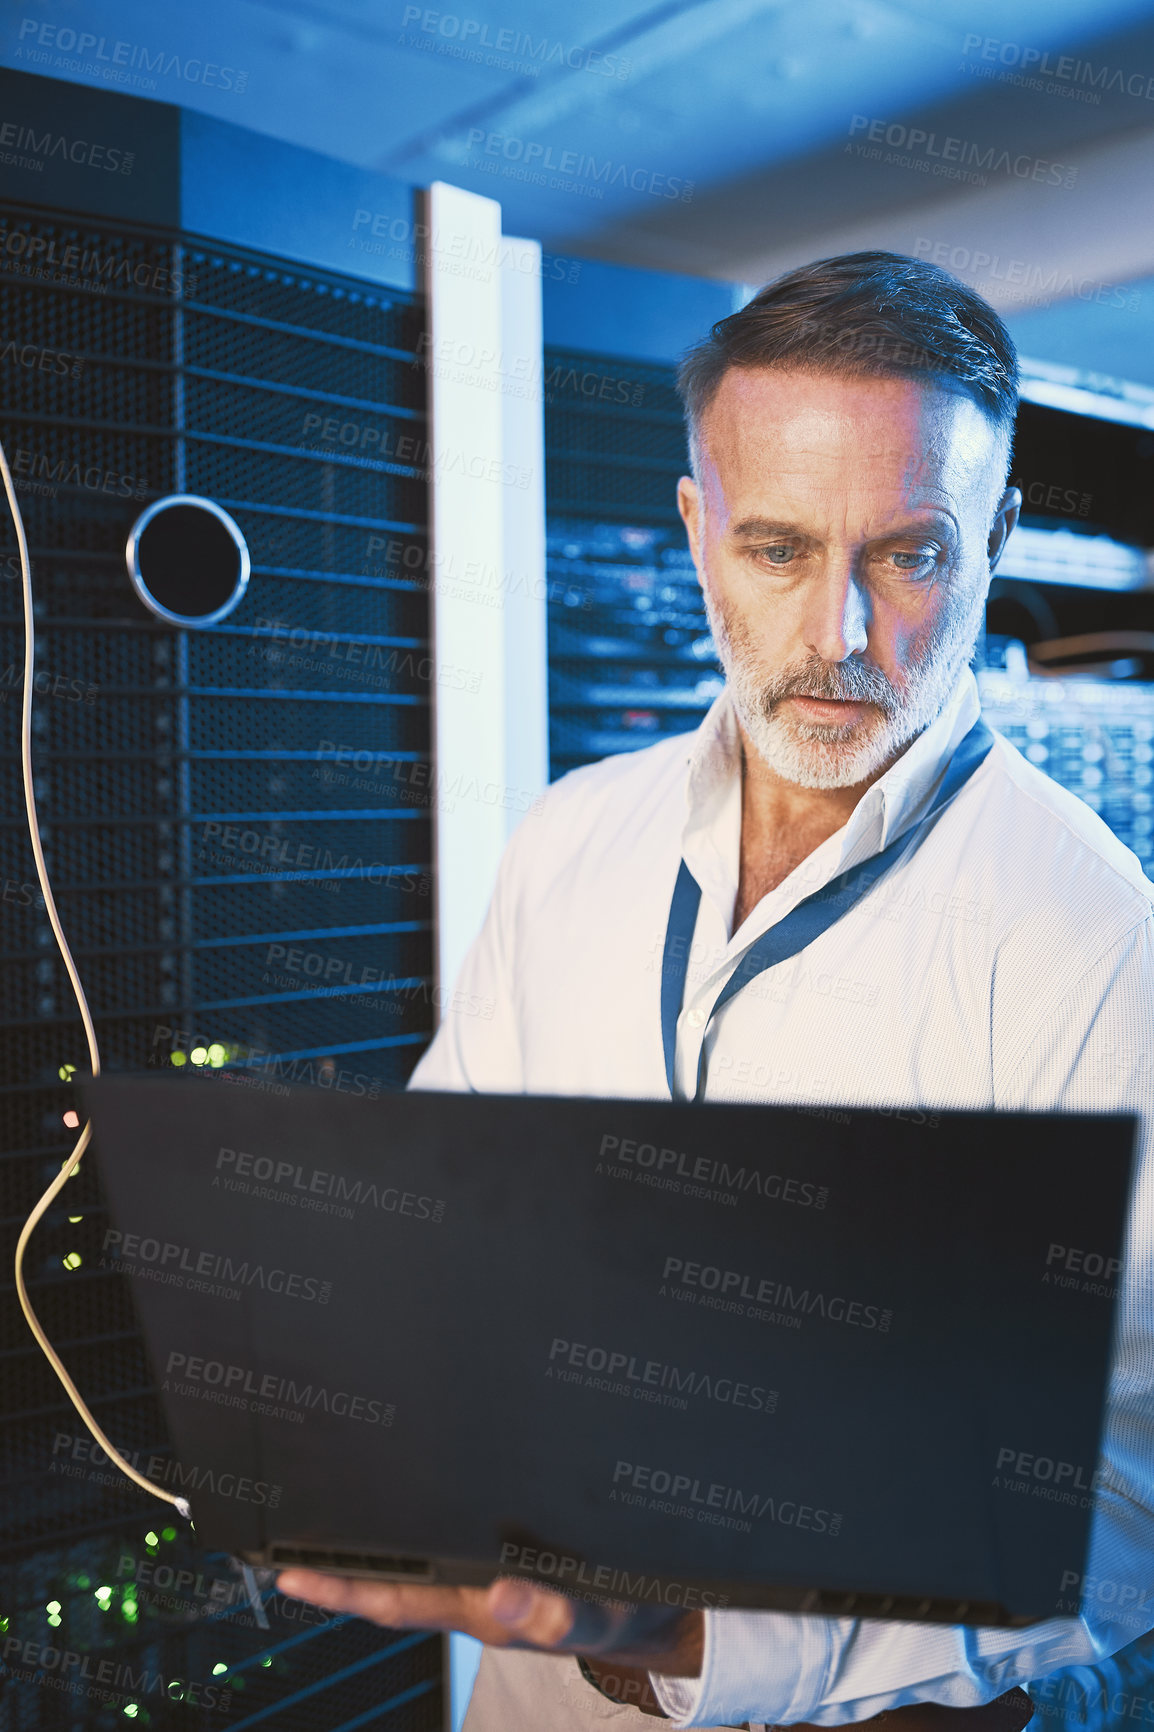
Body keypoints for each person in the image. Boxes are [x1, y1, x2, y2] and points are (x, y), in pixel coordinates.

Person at [276, 251, 1154, 1730]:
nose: (836, 640)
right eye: (776, 548)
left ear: (994, 539)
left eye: (908, 554)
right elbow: (443, 1233)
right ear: (694, 531)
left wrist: (687, 1622)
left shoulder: (1094, 943)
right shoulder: (567, 840)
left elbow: (1122, 1502)